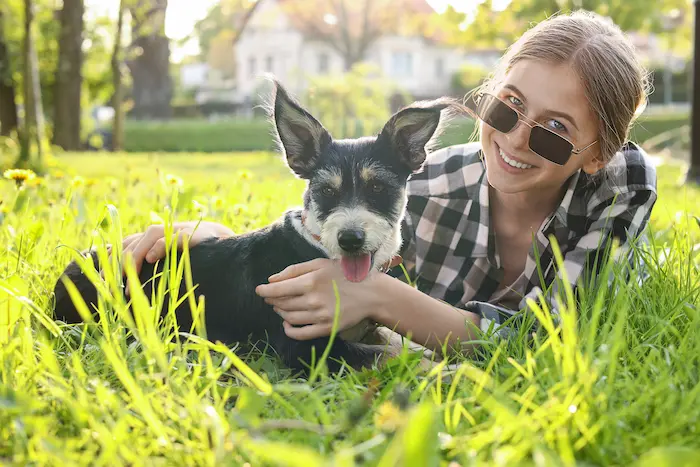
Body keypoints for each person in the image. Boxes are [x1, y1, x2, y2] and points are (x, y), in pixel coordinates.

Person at [116, 11, 657, 357]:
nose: (515, 140)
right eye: (507, 106)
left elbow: (547, 342)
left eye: (555, 133)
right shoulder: (428, 183)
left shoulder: (618, 185)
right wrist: (215, 239)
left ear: (598, 153)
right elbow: (331, 208)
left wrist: (378, 294)